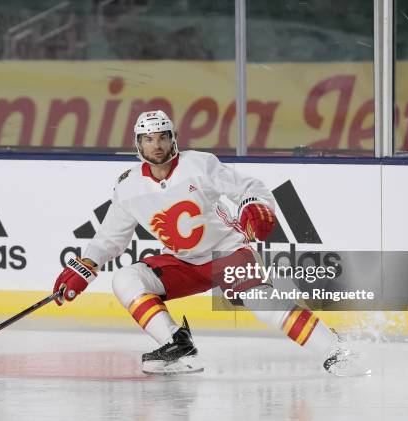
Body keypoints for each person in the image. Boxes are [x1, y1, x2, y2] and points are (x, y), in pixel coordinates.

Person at [52, 110, 368, 376]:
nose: (157, 144)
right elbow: (111, 237)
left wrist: (255, 206)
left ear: (174, 137)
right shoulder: (128, 187)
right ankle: (178, 346)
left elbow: (249, 187)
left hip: (227, 253)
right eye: (149, 139)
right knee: (126, 278)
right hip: (184, 263)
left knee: (262, 303)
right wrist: (85, 266)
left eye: (163, 136)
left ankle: (335, 349)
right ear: (138, 143)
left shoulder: (199, 164)